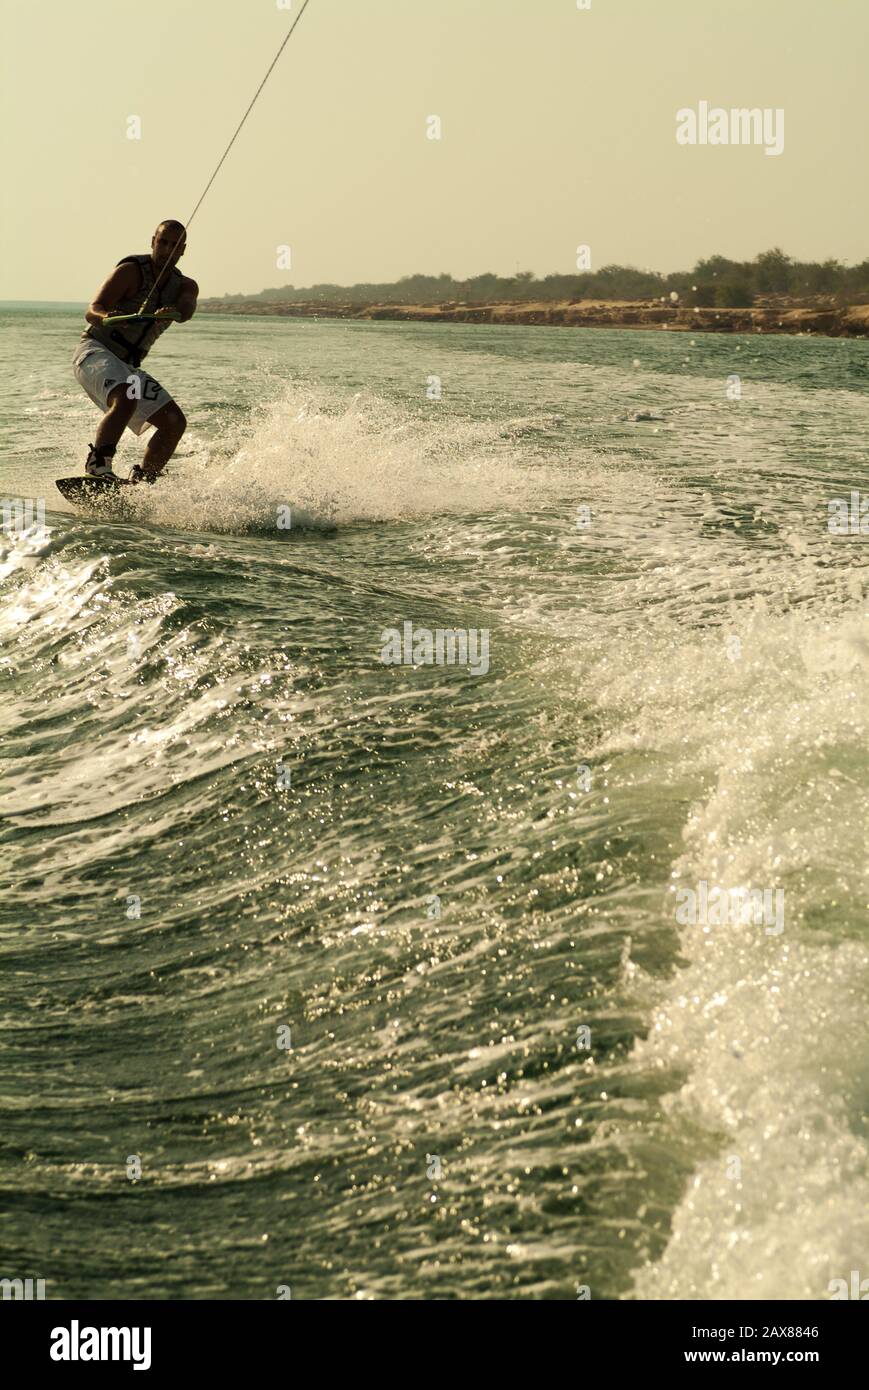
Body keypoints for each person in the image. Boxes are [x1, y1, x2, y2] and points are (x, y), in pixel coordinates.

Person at [73, 220, 198, 483]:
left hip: (128, 365)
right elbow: (93, 309)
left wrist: (173, 311)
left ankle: (143, 483)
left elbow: (186, 310)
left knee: (174, 422)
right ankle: (98, 464)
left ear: (182, 250)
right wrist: (110, 317)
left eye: (174, 245)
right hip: (95, 351)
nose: (166, 250)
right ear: (152, 241)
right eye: (162, 242)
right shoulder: (130, 272)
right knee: (126, 398)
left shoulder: (185, 286)